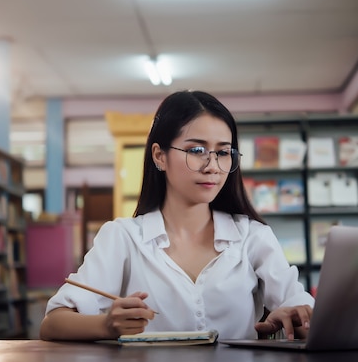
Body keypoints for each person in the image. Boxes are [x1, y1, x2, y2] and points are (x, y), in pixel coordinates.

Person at [40, 90, 314, 342]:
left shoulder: (253, 237)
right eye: (196, 150)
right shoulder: (123, 237)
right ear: (159, 156)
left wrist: (293, 320)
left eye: (222, 152)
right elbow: (53, 324)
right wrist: (107, 325)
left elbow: (304, 314)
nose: (212, 167)